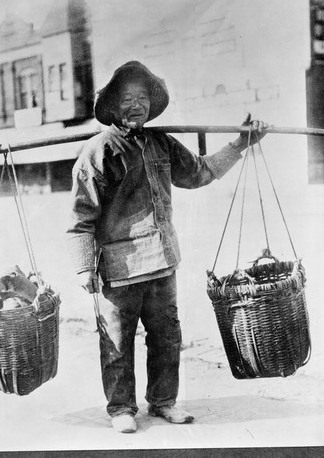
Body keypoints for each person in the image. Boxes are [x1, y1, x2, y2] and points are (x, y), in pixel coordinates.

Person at [67, 61, 270, 433]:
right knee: (116, 342)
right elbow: (81, 217)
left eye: (142, 98)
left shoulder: (161, 143)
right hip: (120, 267)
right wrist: (83, 268)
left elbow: (200, 172)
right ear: (112, 106)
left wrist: (241, 144)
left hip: (162, 262)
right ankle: (121, 408)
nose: (135, 105)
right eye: (127, 98)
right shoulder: (98, 152)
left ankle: (163, 401)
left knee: (167, 338)